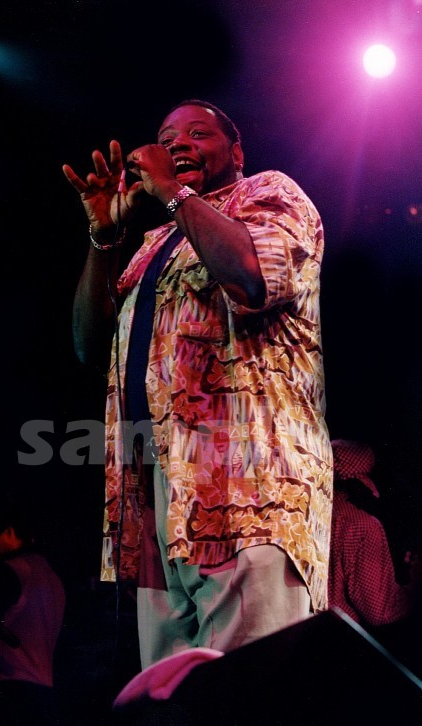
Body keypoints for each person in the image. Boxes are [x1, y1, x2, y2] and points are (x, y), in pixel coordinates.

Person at [62, 99, 333, 670]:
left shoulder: (269, 194)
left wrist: (170, 189)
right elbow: (90, 346)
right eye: (166, 138)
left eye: (196, 134)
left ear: (236, 151)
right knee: (174, 694)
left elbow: (253, 278)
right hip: (157, 491)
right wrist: (104, 236)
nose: (177, 144)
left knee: (252, 685)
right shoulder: (154, 246)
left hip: (249, 484)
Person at [0, 502, 66, 726]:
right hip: (43, 692)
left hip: (4, 691)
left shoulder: (9, 571)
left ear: (9, 532)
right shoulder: (52, 576)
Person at [328, 438, 419, 628]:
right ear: (364, 480)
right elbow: (381, 612)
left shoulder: (319, 510)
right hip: (344, 634)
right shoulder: (363, 526)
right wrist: (415, 588)